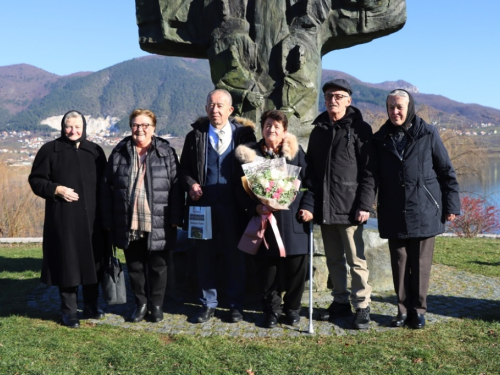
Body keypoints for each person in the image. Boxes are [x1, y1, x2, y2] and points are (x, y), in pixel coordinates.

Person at [372, 89, 460, 329]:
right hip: (393, 209)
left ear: (410, 108)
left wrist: (451, 204)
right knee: (399, 263)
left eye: (399, 106)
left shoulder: (428, 133)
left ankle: (418, 311)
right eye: (391, 107)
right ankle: (402, 310)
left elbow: (446, 171)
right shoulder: (380, 138)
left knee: (420, 265)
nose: (395, 111)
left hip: (424, 209)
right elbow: (373, 176)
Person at [180, 89, 256, 323]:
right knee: (205, 257)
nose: (215, 109)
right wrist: (191, 184)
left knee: (236, 257)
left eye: (220, 105)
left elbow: (255, 170)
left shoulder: (244, 136)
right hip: (202, 208)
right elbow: (183, 170)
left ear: (230, 110)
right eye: (211, 105)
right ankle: (207, 304)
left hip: (235, 208)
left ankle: (235, 305)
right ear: (206, 109)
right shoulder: (195, 136)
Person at [101, 109, 184, 323]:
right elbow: (107, 188)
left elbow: (176, 186)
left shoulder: (166, 152)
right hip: (128, 219)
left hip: (159, 219)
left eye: (145, 125)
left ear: (154, 128)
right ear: (131, 127)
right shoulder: (119, 152)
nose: (140, 129)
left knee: (158, 265)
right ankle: (141, 304)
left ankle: (156, 305)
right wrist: (109, 220)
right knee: (135, 266)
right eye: (136, 125)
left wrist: (176, 217)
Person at [306, 79, 375, 329]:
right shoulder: (319, 130)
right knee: (333, 259)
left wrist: (365, 205)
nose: (331, 100)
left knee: (356, 260)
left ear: (348, 100)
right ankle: (340, 302)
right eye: (327, 97)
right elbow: (311, 171)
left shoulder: (360, 130)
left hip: (351, 208)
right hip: (325, 207)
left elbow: (369, 172)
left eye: (337, 96)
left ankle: (362, 306)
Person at [235, 109, 314, 328]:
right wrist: (255, 207)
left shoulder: (296, 154)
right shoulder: (251, 154)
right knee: (268, 270)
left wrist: (308, 208)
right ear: (262, 128)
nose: (271, 130)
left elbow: (311, 185)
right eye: (268, 125)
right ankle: (271, 309)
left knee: (296, 267)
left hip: (293, 221)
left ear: (285, 131)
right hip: (264, 221)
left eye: (276, 127)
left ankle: (293, 309)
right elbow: (239, 190)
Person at [29, 110, 107, 328]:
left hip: (94, 219)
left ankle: (91, 305)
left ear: (84, 128)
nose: (73, 131)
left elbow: (105, 183)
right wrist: (56, 189)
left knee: (94, 263)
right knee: (68, 264)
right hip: (64, 219)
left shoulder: (95, 151)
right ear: (62, 127)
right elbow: (36, 180)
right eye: (69, 127)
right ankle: (69, 312)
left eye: (78, 127)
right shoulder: (50, 150)